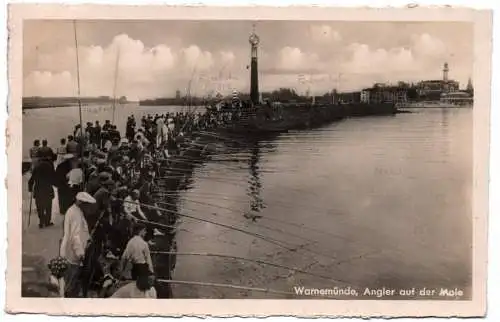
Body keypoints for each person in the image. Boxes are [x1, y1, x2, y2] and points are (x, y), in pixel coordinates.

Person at [59, 191, 96, 298]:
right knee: (72, 281)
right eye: (87, 205)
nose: (88, 209)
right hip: (74, 254)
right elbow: (75, 236)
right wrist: (80, 254)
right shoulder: (75, 214)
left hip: (73, 252)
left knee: (72, 281)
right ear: (81, 203)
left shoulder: (75, 211)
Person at [28, 155, 57, 228]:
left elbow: (31, 180)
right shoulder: (49, 167)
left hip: (38, 189)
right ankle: (47, 222)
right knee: (48, 206)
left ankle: (41, 222)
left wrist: (30, 188)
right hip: (47, 189)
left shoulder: (36, 167)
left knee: (39, 206)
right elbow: (54, 178)